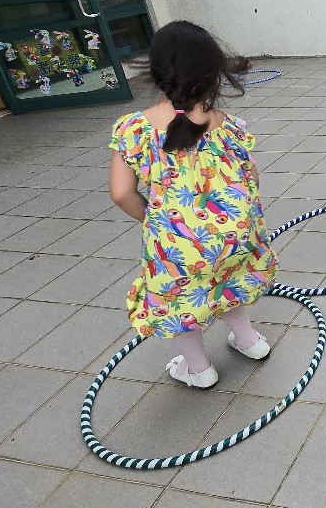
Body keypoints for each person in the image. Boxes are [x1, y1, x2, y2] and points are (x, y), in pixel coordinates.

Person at [107, 21, 278, 389]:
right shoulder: (227, 125)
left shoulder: (134, 129)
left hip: (178, 244)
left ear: (157, 73)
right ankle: (249, 341)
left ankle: (199, 369)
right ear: (214, 73)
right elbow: (252, 178)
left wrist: (155, 220)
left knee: (180, 301)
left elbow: (121, 193)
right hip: (235, 235)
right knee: (229, 279)